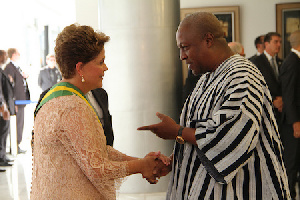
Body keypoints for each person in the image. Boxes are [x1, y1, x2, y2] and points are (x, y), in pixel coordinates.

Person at [138, 12, 290, 199]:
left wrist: (177, 131)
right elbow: (201, 135)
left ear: (208, 40)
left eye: (185, 47)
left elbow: (229, 136)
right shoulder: (208, 77)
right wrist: (174, 161)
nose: (182, 56)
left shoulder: (243, 75)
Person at [30, 24, 170, 200]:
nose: (106, 68)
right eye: (100, 62)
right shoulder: (72, 106)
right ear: (80, 68)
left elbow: (96, 151)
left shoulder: (58, 97)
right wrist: (141, 165)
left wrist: (142, 162)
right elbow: (96, 168)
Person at [280, 30, 300, 199]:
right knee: (291, 163)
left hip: (296, 120)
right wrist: (295, 122)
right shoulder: (292, 62)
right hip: (293, 123)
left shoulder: (295, 60)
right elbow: (288, 94)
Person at [251, 32, 283, 124]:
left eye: (280, 42)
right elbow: (255, 87)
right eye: (275, 42)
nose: (279, 45)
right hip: (265, 112)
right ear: (266, 44)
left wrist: (282, 99)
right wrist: (273, 100)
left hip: (281, 113)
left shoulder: (282, 62)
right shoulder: (256, 62)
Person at [4, 48, 30, 154]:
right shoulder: (9, 68)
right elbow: (10, 86)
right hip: (16, 102)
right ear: (14, 55)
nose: (19, 55)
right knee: (17, 124)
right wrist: (13, 102)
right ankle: (15, 146)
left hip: (21, 101)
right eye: (18, 54)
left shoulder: (16, 67)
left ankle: (17, 144)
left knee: (20, 123)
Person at [0, 50, 13, 169]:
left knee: (4, 133)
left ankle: (3, 157)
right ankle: (1, 158)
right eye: (4, 55)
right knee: (2, 133)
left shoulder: (2, 71)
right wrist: (3, 107)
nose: (6, 57)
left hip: (4, 106)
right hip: (1, 109)